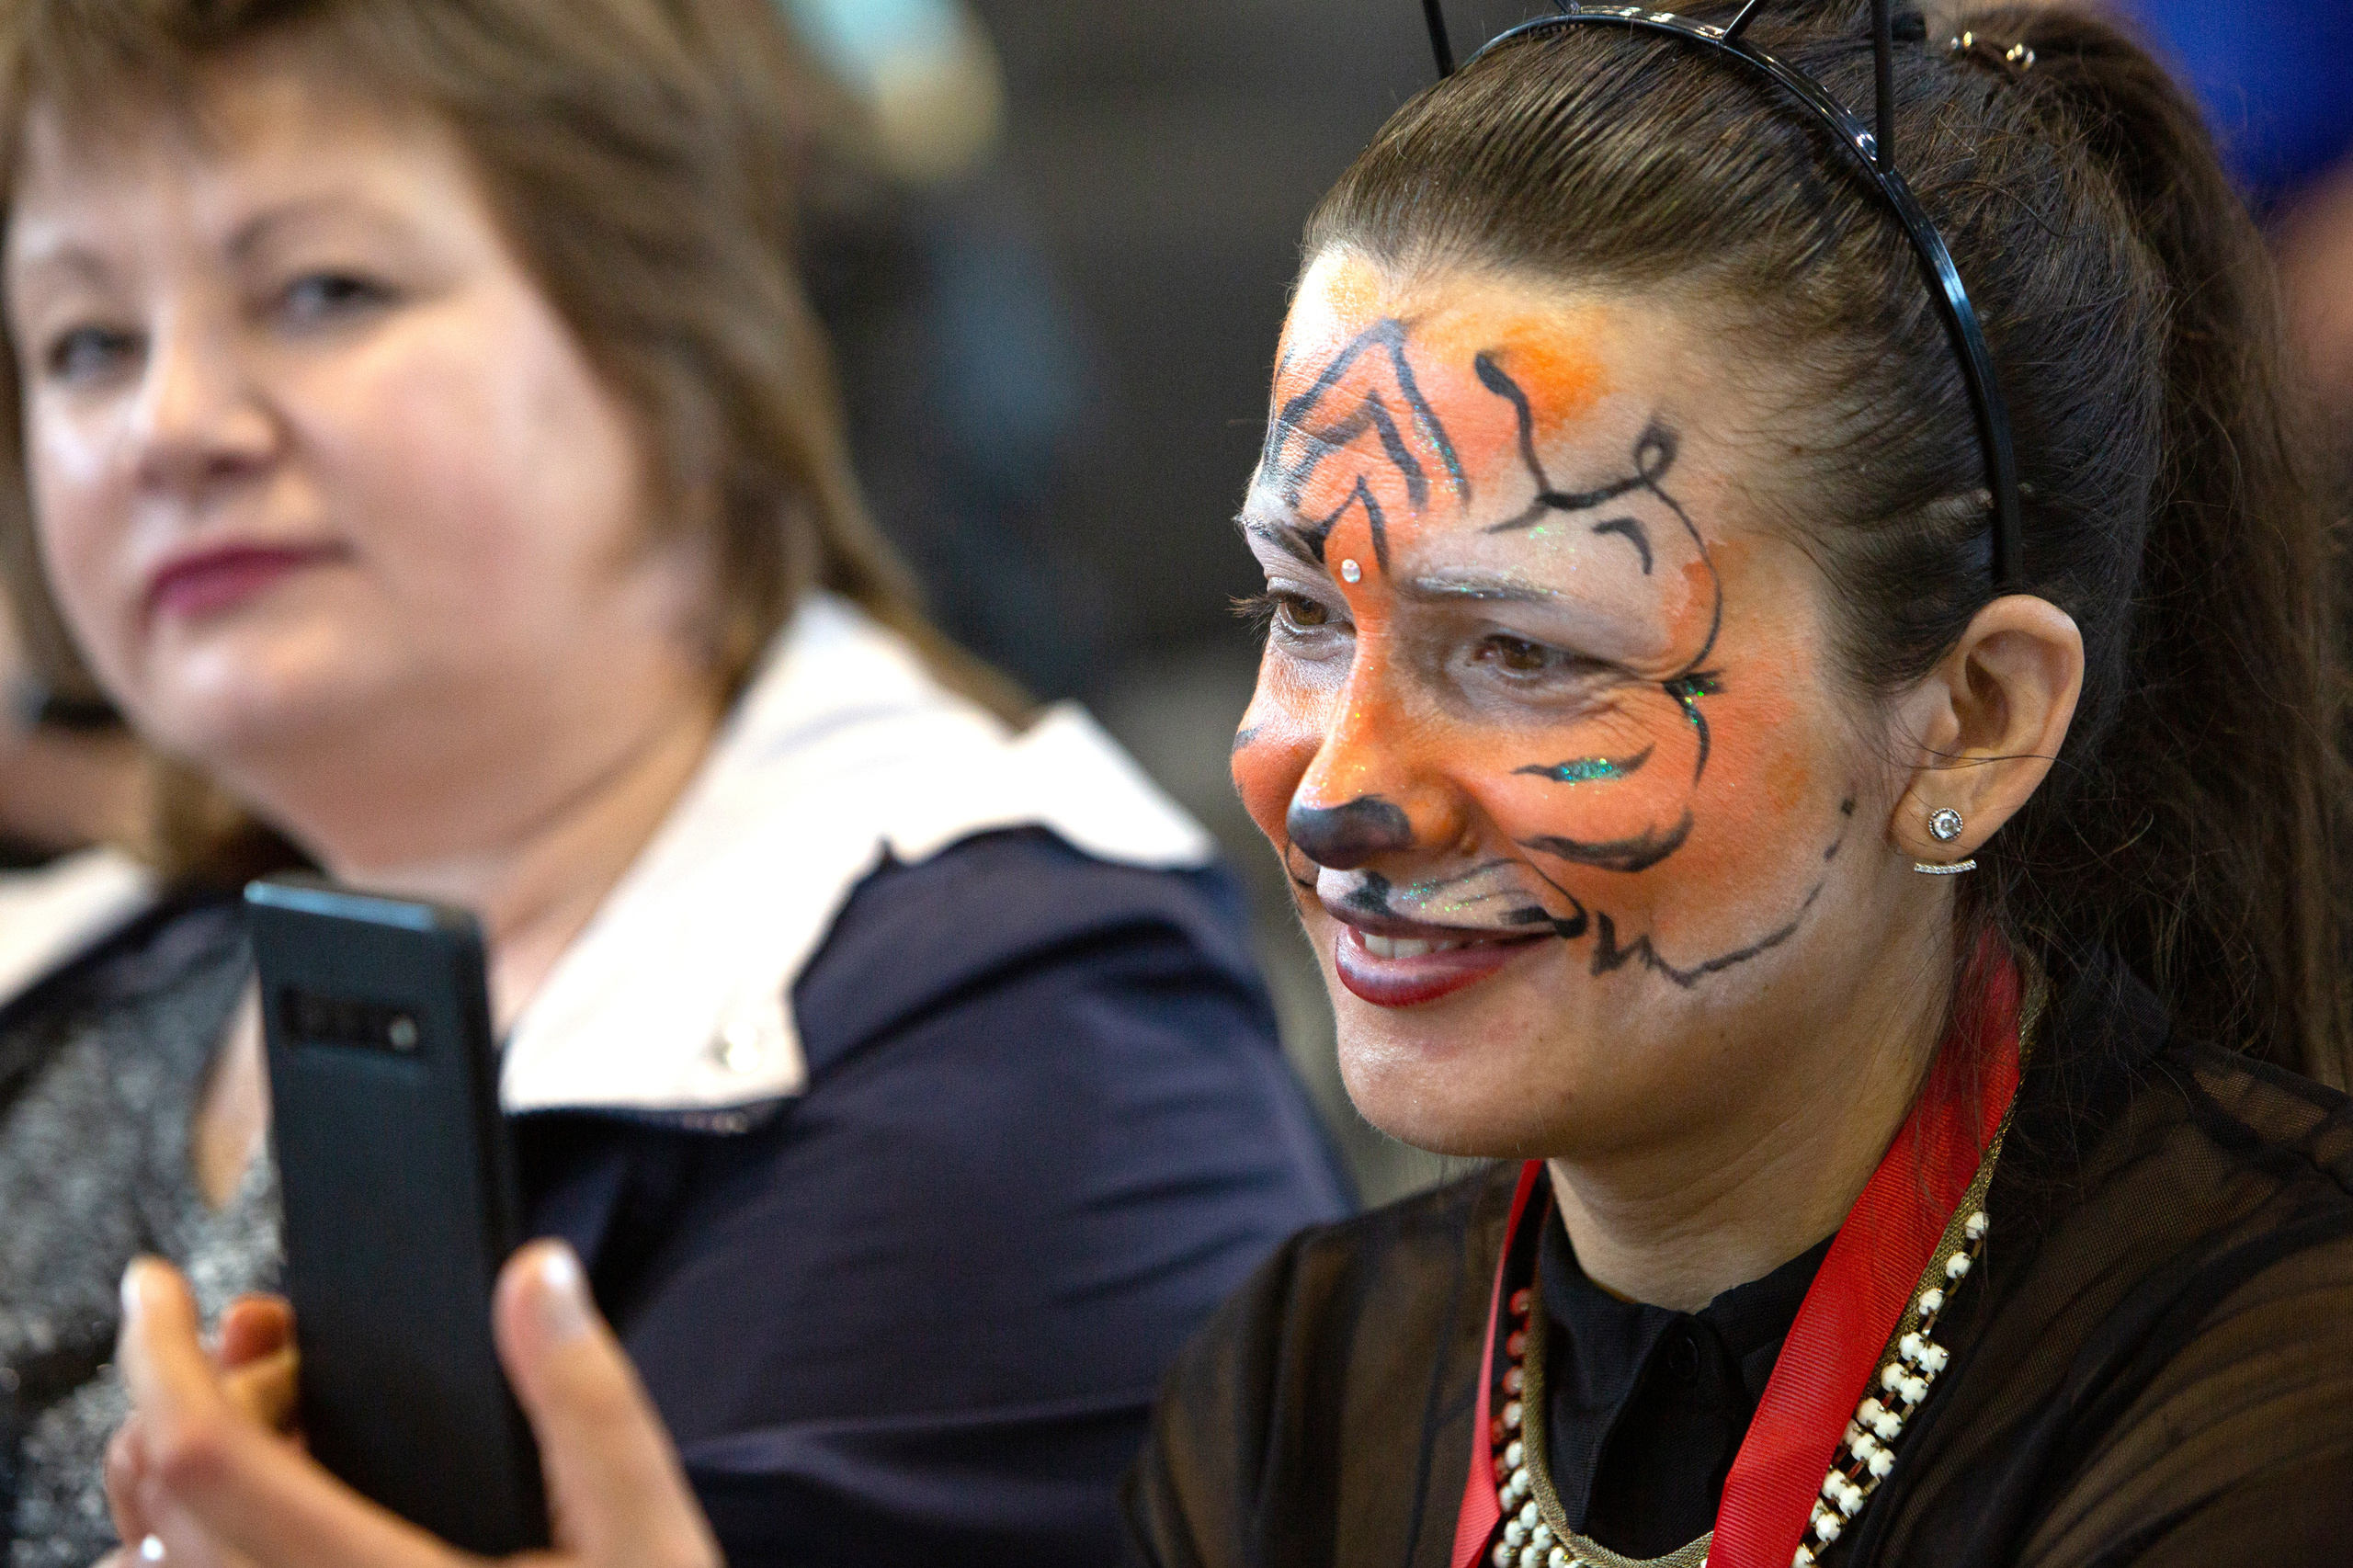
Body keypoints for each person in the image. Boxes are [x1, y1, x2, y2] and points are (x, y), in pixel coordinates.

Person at [97, 1, 2353, 1565]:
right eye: (1298, 608)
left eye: (1519, 650)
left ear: (1967, 717)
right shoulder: (1305, 1378)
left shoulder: (2269, 1394)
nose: (1328, 784)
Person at [0, 0, 1350, 1563]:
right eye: (86, 341)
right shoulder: (127, 944)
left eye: (320, 291)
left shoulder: (1028, 1060)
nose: (169, 426)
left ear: (677, 354)